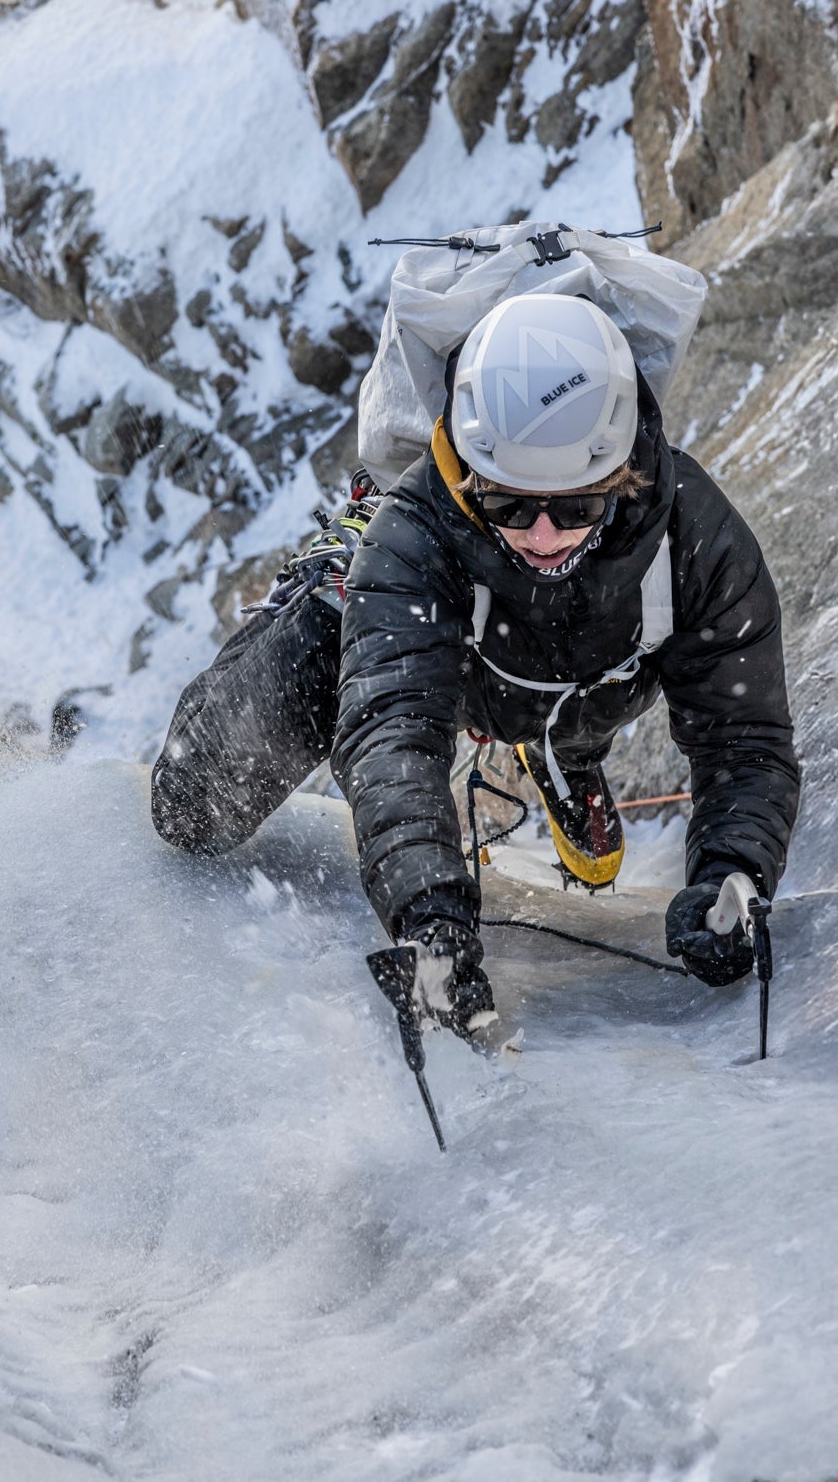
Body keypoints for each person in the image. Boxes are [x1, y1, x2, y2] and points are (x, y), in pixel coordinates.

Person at [152, 286, 800, 1035]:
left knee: (589, 633)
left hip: (592, 668)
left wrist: (732, 877)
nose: (545, 534)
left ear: (623, 477)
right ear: (467, 478)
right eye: (510, 505)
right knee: (193, 809)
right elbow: (393, 738)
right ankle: (330, 592)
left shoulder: (697, 538)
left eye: (578, 506)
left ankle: (562, 744)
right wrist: (428, 914)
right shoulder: (412, 538)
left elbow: (743, 739)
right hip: (440, 647)